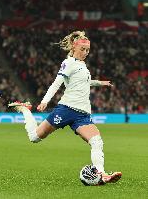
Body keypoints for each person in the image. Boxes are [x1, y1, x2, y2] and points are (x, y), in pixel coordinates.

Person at [9, 31, 122, 185]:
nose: (85, 53)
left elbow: (83, 82)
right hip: (67, 109)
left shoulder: (82, 65)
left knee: (96, 141)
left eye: (88, 50)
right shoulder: (68, 63)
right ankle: (25, 110)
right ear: (74, 48)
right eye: (83, 49)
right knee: (34, 137)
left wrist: (99, 83)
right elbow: (57, 83)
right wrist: (45, 101)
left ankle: (101, 174)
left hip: (82, 114)